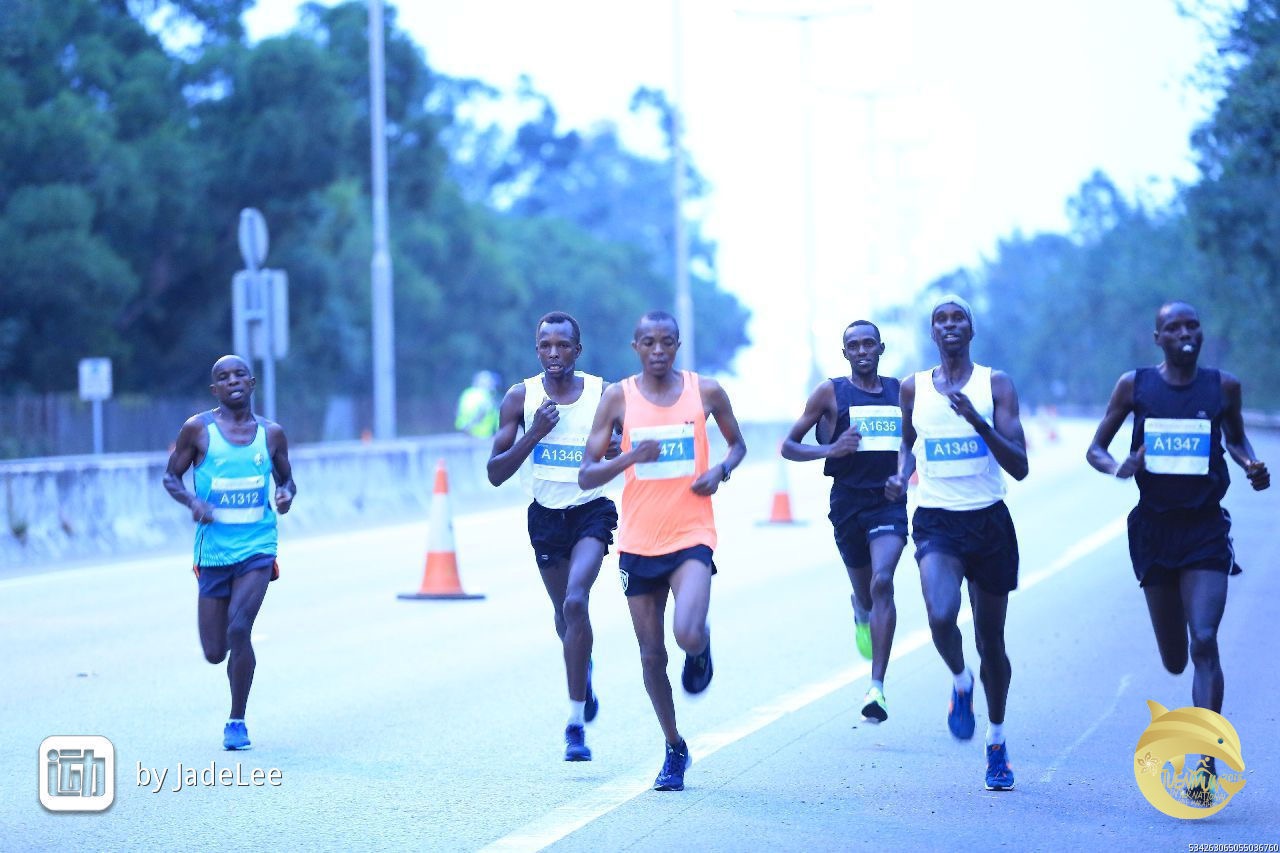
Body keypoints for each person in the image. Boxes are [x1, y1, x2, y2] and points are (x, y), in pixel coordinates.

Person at [1086, 301, 1269, 803]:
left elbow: (1235, 439)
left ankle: (1206, 763)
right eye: (1174, 327)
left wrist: (1252, 464)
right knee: (1173, 658)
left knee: (1204, 641)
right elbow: (1096, 448)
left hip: (1205, 528)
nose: (1185, 333)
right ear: (1158, 338)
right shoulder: (1135, 386)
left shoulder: (1222, 387)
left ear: (1201, 334)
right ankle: (1180, 673)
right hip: (1153, 530)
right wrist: (1118, 467)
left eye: (1192, 325)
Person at [578, 310, 746, 792]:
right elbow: (587, 474)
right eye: (648, 342)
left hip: (692, 533)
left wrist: (721, 471)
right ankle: (674, 746)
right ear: (635, 347)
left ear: (677, 344)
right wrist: (630, 455)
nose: (657, 350)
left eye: (666, 342)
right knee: (652, 655)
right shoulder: (618, 397)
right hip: (638, 541)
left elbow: (737, 445)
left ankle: (700, 647)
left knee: (687, 632)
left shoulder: (706, 391)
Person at [885, 295, 1028, 791]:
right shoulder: (913, 388)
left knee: (993, 641)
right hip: (937, 523)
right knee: (941, 615)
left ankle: (997, 740)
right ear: (932, 332)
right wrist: (902, 475)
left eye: (958, 317)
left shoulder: (996, 385)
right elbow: (908, 440)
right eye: (940, 319)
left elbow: (1020, 466)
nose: (949, 325)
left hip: (989, 522)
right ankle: (961, 681)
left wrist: (978, 421)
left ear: (971, 328)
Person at [486, 311, 618, 762]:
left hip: (591, 512)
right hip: (545, 516)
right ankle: (583, 668)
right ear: (537, 349)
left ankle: (575, 724)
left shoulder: (603, 393)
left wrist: (617, 447)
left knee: (576, 602)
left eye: (564, 346)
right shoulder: (520, 398)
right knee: (564, 618)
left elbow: (625, 440)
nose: (555, 354)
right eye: (546, 346)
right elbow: (495, 472)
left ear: (577, 352)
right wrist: (535, 432)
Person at [162, 355, 296, 751]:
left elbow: (287, 480)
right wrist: (192, 502)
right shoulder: (197, 431)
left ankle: (237, 720)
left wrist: (285, 494)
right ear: (214, 390)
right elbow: (171, 476)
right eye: (223, 377)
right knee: (214, 651)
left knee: (241, 628)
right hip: (213, 553)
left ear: (252, 383)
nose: (232, 380)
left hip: (257, 547)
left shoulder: (271, 435)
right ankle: (230, 685)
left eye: (239, 374)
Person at [781, 320, 907, 723]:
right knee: (867, 595)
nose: (862, 350)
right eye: (853, 345)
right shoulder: (830, 392)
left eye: (869, 343)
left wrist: (902, 477)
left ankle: (877, 688)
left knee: (883, 581)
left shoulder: (899, 391)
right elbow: (789, 445)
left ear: (881, 348)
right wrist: (832, 449)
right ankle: (861, 611)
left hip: (887, 503)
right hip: (848, 504)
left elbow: (911, 443)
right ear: (845, 353)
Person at [456, 370, 500, 439]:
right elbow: (482, 412)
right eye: (490, 381)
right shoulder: (485, 396)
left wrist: (465, 429)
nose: (493, 384)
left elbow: (459, 414)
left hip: (466, 435)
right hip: (481, 437)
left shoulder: (466, 393)